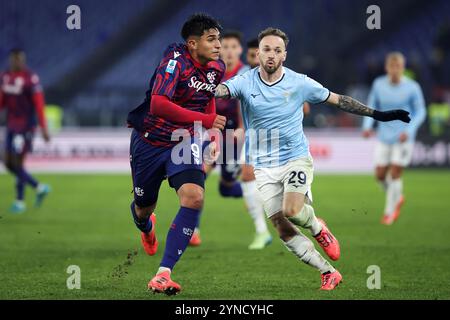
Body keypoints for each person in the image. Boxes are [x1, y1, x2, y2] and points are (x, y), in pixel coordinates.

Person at [214, 28, 410, 290]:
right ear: (258, 53)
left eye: (277, 50)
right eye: (266, 49)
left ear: (284, 54)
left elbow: (339, 100)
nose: (271, 54)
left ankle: (318, 228)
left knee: (292, 210)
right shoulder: (244, 80)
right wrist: (204, 87)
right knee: (282, 228)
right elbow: (221, 90)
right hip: (262, 165)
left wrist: (378, 115)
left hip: (295, 158)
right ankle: (328, 272)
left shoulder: (300, 82)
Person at [126, 13, 226, 295]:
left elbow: (208, 101)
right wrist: (205, 121)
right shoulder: (175, 62)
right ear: (192, 44)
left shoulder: (217, 67)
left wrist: (211, 134)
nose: (218, 45)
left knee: (194, 197)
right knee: (143, 207)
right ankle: (146, 226)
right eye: (211, 39)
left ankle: (163, 273)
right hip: (149, 141)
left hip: (184, 141)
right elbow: (158, 104)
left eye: (218, 38)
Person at [190, 31, 273, 250]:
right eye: (223, 46)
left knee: (227, 188)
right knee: (198, 175)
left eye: (232, 47)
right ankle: (193, 231)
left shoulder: (246, 73)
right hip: (216, 133)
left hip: (238, 136)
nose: (227, 50)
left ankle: (260, 197)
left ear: (240, 51)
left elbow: (245, 107)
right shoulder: (211, 71)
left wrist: (241, 130)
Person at [362, 52, 426, 225]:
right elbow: (371, 106)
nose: (395, 70)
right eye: (392, 66)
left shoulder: (412, 87)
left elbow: (421, 111)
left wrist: (410, 130)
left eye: (398, 66)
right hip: (384, 136)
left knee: (395, 172)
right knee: (380, 175)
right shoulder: (379, 84)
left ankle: (389, 212)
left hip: (403, 137)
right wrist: (367, 127)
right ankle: (397, 196)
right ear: (387, 68)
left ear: (403, 68)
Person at [0, 48, 51, 214]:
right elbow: (1, 102)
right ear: (11, 60)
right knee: (8, 162)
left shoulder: (31, 79)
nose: (17, 62)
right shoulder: (5, 77)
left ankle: (20, 201)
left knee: (17, 162)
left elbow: (39, 104)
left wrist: (43, 127)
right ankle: (38, 187)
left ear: (23, 60)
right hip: (11, 126)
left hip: (25, 127)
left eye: (20, 59)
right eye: (15, 59)